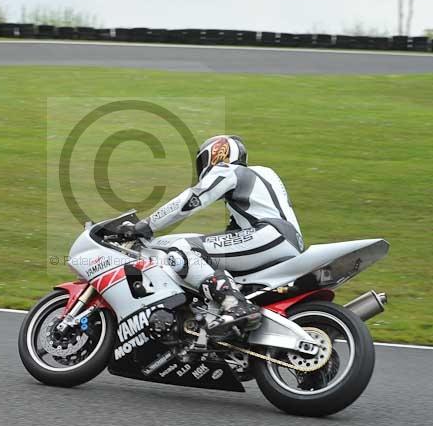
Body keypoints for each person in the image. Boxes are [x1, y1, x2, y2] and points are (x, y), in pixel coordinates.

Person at [116, 135, 304, 335]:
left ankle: (234, 305)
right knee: (205, 255)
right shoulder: (262, 176)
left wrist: (146, 225)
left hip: (270, 235)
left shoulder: (230, 170)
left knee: (183, 249)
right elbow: (230, 236)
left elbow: (192, 200)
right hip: (283, 239)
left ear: (217, 153)